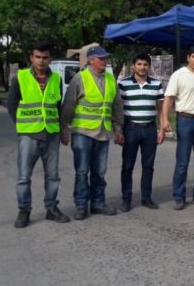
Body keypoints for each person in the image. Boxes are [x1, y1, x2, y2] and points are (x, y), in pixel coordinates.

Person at [8, 41, 69, 228]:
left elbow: (58, 107)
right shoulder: (20, 78)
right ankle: (24, 210)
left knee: (53, 176)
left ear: (49, 58)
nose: (41, 61)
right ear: (31, 58)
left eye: (45, 57)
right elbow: (12, 106)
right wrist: (23, 126)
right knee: (24, 177)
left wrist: (62, 129)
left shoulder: (56, 80)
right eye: (38, 57)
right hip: (29, 135)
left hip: (51, 134)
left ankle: (51, 208)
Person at [61, 46, 124, 220]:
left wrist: (118, 127)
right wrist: (64, 128)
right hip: (83, 132)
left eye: (106, 58)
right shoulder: (80, 79)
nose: (105, 61)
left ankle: (98, 203)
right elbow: (68, 105)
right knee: (82, 172)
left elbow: (117, 105)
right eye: (101, 58)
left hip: (103, 133)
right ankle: (81, 205)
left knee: (99, 171)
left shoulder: (111, 79)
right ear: (91, 60)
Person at [160, 46, 194, 210]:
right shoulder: (179, 75)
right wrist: (164, 120)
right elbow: (168, 99)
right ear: (188, 58)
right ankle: (179, 196)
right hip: (185, 120)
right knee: (183, 161)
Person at [118, 53, 165, 212]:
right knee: (127, 166)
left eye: (145, 64)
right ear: (133, 66)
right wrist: (119, 130)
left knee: (148, 166)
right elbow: (118, 109)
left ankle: (146, 197)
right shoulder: (123, 84)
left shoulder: (156, 84)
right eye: (139, 64)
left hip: (150, 129)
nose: (142, 67)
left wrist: (162, 128)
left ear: (149, 67)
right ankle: (126, 199)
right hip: (130, 129)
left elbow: (160, 108)